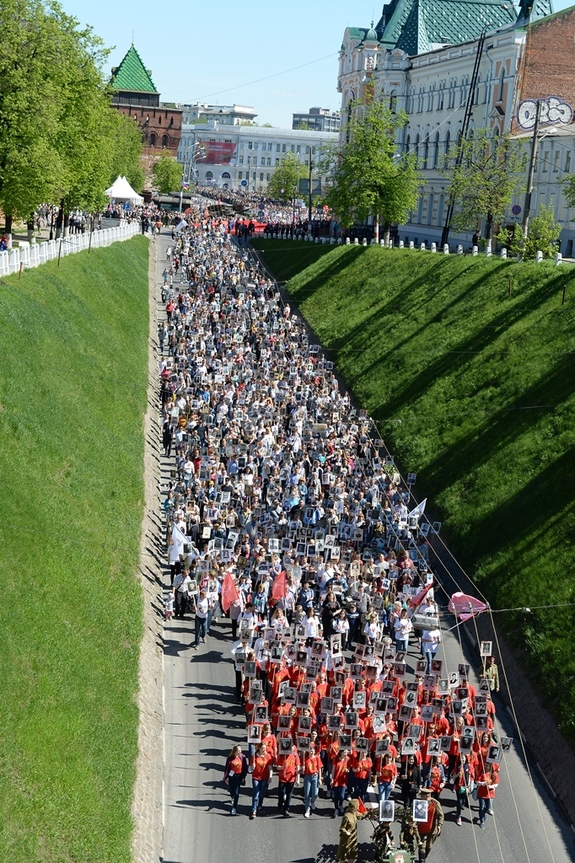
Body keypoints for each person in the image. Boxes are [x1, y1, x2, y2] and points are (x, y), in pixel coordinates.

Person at [415, 786, 443, 860]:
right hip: (421, 828)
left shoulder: (435, 803)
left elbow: (440, 815)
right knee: (421, 846)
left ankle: (424, 858)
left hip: (432, 829)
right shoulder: (418, 803)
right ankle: (422, 860)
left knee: (429, 846)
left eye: (422, 796)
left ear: (427, 796)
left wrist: (439, 825)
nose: (420, 797)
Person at [337, 798, 367, 863]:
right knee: (343, 857)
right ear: (354, 808)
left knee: (353, 855)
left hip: (353, 838)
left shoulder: (354, 813)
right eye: (357, 806)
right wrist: (346, 832)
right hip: (346, 840)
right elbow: (342, 828)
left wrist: (369, 812)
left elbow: (362, 815)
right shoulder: (346, 817)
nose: (358, 807)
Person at [249, 742, 274, 819]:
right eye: (263, 748)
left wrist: (270, 776)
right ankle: (254, 810)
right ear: (259, 748)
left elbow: (270, 768)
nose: (264, 750)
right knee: (255, 794)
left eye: (265, 748)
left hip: (264, 777)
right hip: (256, 777)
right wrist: (252, 767)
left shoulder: (268, 756)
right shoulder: (254, 756)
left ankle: (260, 806)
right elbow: (250, 769)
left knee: (262, 794)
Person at [223, 745, 249, 814]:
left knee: (236, 792)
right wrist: (225, 777)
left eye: (240, 751)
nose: (240, 752)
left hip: (239, 776)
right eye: (238, 751)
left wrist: (244, 777)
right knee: (231, 789)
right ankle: (232, 797)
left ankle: (234, 807)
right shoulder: (230, 758)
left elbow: (245, 768)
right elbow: (226, 768)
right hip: (232, 776)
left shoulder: (242, 757)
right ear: (235, 751)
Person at [276, 742, 300, 817]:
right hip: (282, 778)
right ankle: (280, 805)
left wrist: (297, 778)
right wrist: (282, 767)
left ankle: (286, 808)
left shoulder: (295, 755)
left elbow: (298, 766)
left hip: (291, 778)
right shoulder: (281, 755)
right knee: (281, 793)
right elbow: (277, 767)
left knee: (289, 795)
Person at [303, 742, 323, 817]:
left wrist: (320, 778)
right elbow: (303, 768)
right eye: (310, 750)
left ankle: (312, 801)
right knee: (307, 793)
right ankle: (307, 808)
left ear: (314, 751)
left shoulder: (317, 757)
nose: (311, 751)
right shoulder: (306, 758)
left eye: (312, 750)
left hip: (315, 776)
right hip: (307, 776)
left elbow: (319, 768)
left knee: (315, 793)